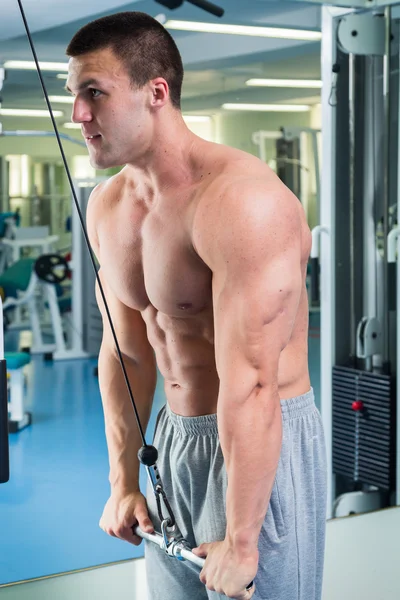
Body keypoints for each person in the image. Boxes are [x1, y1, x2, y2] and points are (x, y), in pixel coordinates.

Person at [66, 11, 327, 600]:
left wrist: (242, 539)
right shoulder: (109, 207)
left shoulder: (243, 203)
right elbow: (125, 353)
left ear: (156, 93)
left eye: (94, 94)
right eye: (74, 96)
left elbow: (254, 383)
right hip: (176, 440)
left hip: (262, 441)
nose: (79, 115)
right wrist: (124, 480)